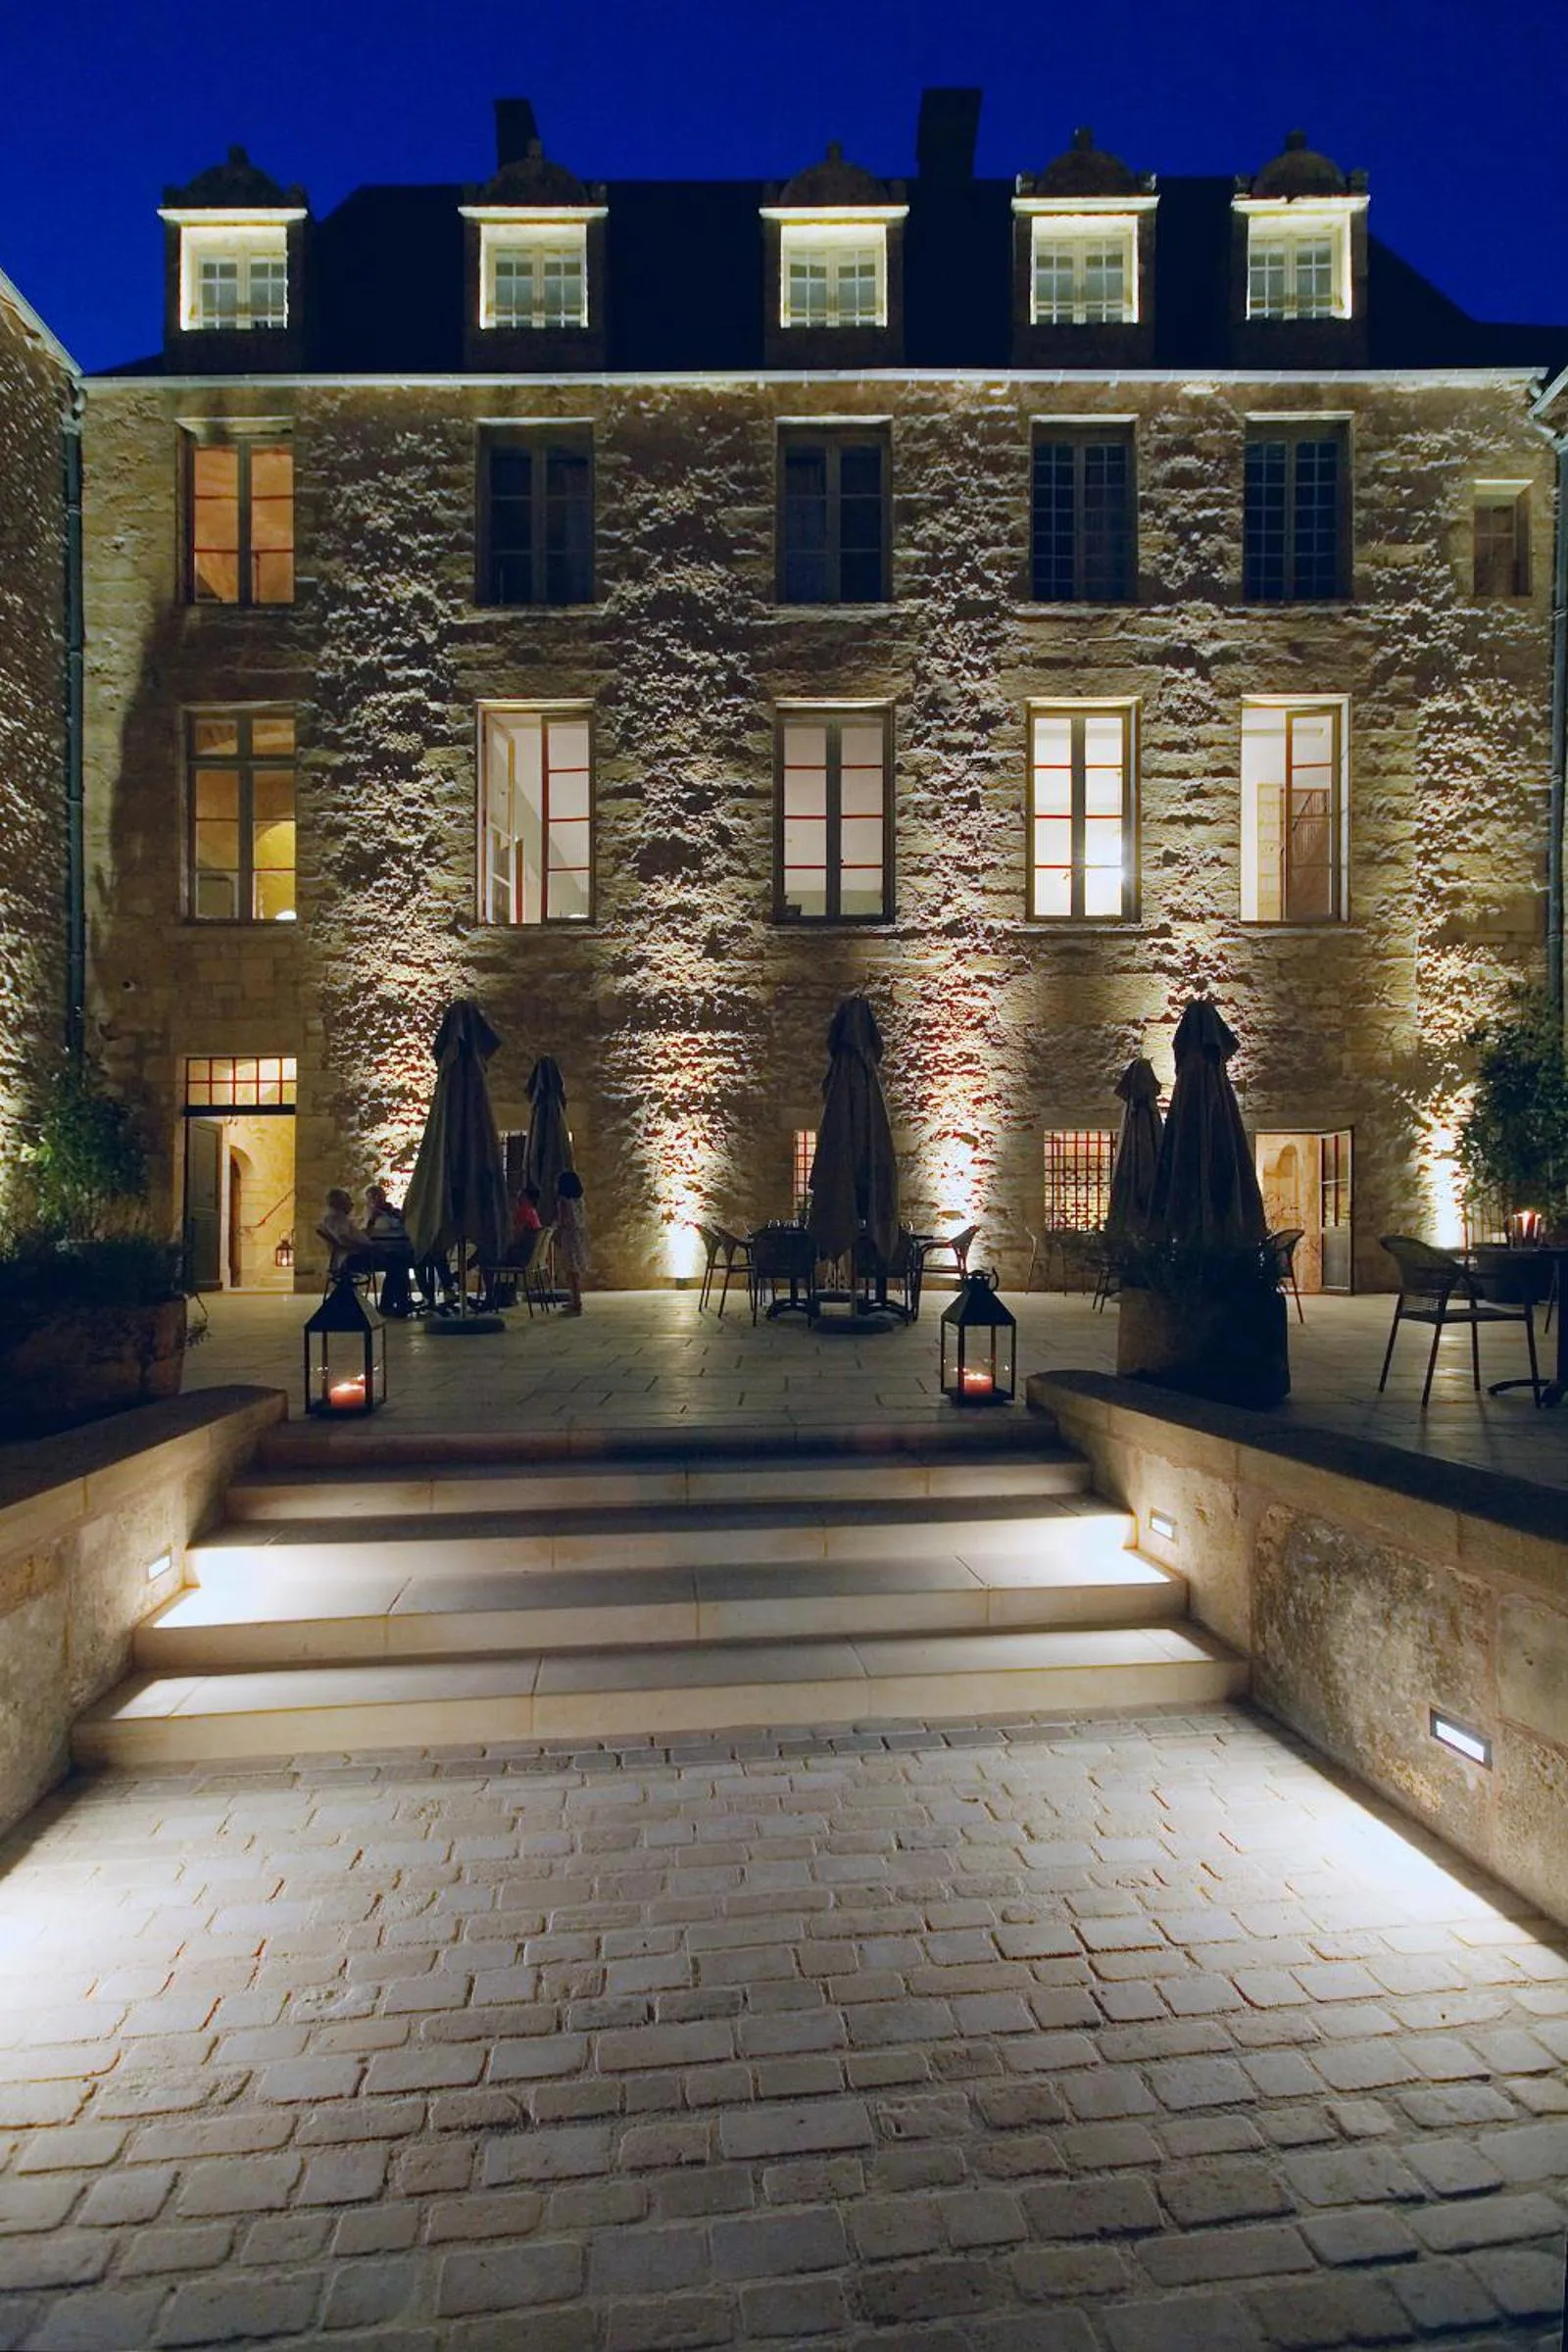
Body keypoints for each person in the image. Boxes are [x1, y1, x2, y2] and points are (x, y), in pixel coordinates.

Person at [363, 1183, 416, 1317]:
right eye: (373, 1196)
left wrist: (399, 1216)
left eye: (380, 1195)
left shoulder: (393, 1212)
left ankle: (399, 1302)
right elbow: (366, 1234)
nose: (378, 1198)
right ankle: (395, 1303)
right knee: (398, 1265)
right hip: (381, 1251)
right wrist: (372, 1220)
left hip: (398, 1247)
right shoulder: (369, 1215)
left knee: (404, 1263)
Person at [554, 1168, 589, 1314]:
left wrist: (557, 1229)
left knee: (571, 1270)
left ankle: (576, 1303)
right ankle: (575, 1300)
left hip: (569, 1236)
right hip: (579, 1235)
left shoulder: (564, 1202)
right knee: (575, 1269)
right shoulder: (579, 1200)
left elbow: (565, 1220)